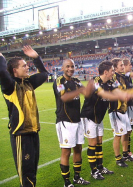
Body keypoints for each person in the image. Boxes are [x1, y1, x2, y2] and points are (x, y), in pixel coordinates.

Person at [0, 46, 48, 187]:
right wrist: (1, 56)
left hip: (33, 133)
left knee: (32, 172)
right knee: (26, 176)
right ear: (15, 70)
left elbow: (44, 75)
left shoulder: (28, 83)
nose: (28, 67)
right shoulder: (10, 86)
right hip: (21, 135)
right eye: (24, 66)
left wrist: (36, 58)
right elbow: (2, 71)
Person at [81, 60, 133, 179]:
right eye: (112, 71)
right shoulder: (94, 82)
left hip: (99, 117)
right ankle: (94, 171)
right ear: (106, 72)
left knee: (99, 142)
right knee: (93, 144)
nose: (113, 73)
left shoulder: (111, 82)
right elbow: (104, 94)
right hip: (89, 116)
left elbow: (119, 92)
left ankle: (100, 167)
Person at [53, 59, 94, 187]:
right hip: (65, 121)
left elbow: (86, 93)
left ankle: (77, 177)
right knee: (66, 151)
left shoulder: (76, 81)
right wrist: (79, 91)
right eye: (67, 66)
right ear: (62, 68)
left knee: (78, 149)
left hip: (77, 121)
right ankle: (67, 182)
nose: (70, 69)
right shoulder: (59, 81)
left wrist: (90, 86)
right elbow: (64, 97)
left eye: (72, 66)